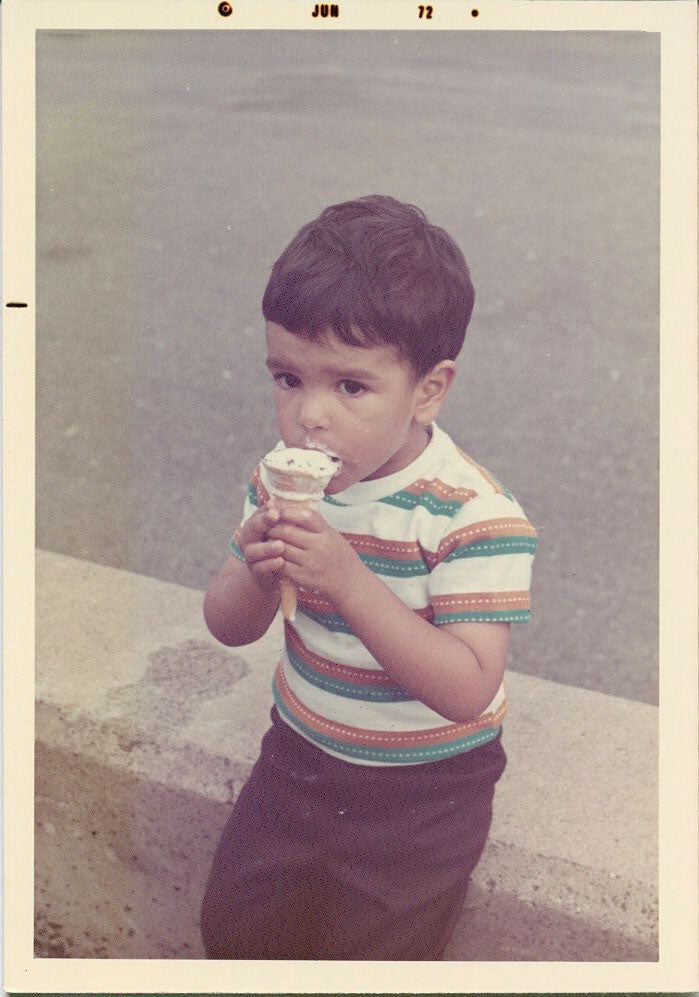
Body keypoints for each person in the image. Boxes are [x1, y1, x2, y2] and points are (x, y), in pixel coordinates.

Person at [200, 194, 537, 960]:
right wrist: (256, 568)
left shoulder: (469, 516)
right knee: (234, 930)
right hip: (297, 759)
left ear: (428, 388)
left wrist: (348, 582)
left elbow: (467, 686)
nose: (308, 416)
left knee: (374, 960)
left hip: (423, 794)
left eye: (349, 386)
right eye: (287, 378)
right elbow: (227, 623)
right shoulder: (276, 479)